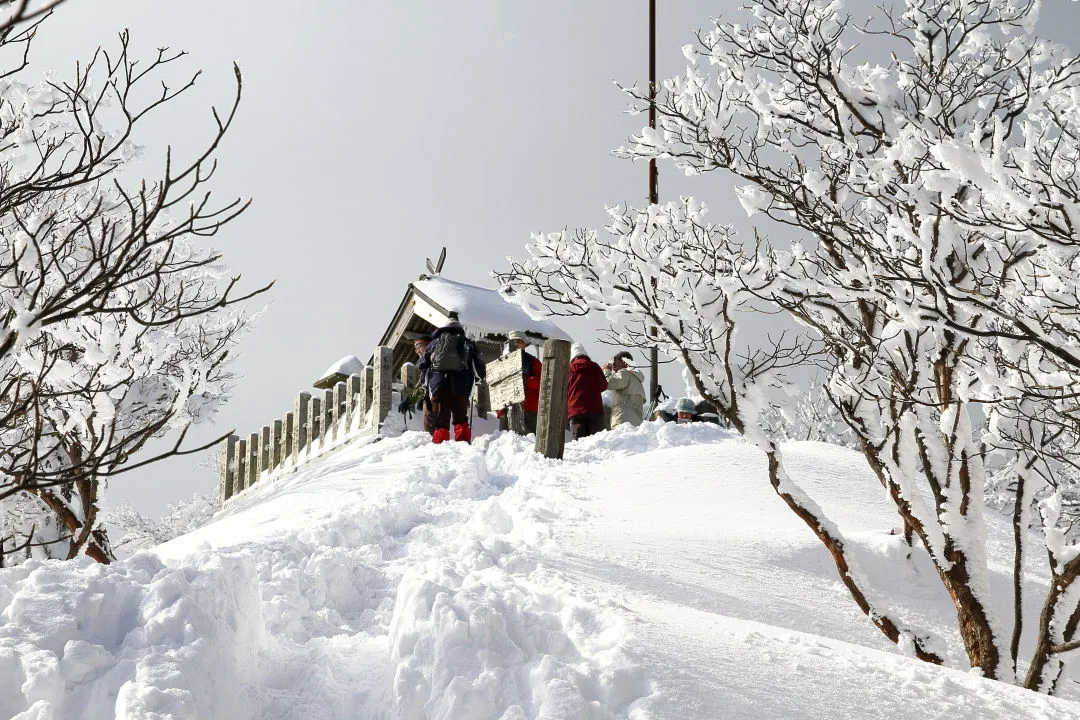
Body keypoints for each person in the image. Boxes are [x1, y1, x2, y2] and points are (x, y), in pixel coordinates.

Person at [419, 319, 487, 444]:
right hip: (462, 387)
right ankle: (463, 444)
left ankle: (440, 445)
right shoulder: (468, 344)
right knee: (461, 418)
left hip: (439, 385)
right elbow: (479, 367)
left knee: (440, 419)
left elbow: (424, 366)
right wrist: (479, 379)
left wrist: (425, 385)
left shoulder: (434, 343)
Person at [497, 330, 542, 435]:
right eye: (515, 342)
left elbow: (543, 382)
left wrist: (526, 381)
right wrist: (500, 412)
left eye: (520, 342)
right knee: (505, 444)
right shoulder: (500, 363)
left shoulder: (533, 362)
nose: (517, 344)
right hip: (505, 409)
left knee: (529, 441)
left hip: (528, 409)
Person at [567, 343, 607, 440]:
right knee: (597, 442)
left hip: (575, 411)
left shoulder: (569, 369)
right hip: (595, 410)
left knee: (580, 444)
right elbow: (603, 386)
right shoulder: (595, 366)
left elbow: (564, 389)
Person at [602, 350, 646, 427]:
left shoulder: (625, 372)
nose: (614, 367)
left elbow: (606, 383)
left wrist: (606, 370)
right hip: (636, 423)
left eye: (615, 362)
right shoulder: (636, 379)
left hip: (622, 419)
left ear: (623, 362)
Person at [398, 336, 433, 432]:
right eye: (416, 348)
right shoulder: (427, 361)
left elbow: (424, 387)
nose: (417, 351)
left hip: (432, 400)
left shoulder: (430, 361)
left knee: (432, 429)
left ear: (428, 345)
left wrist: (409, 401)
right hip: (435, 398)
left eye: (419, 346)